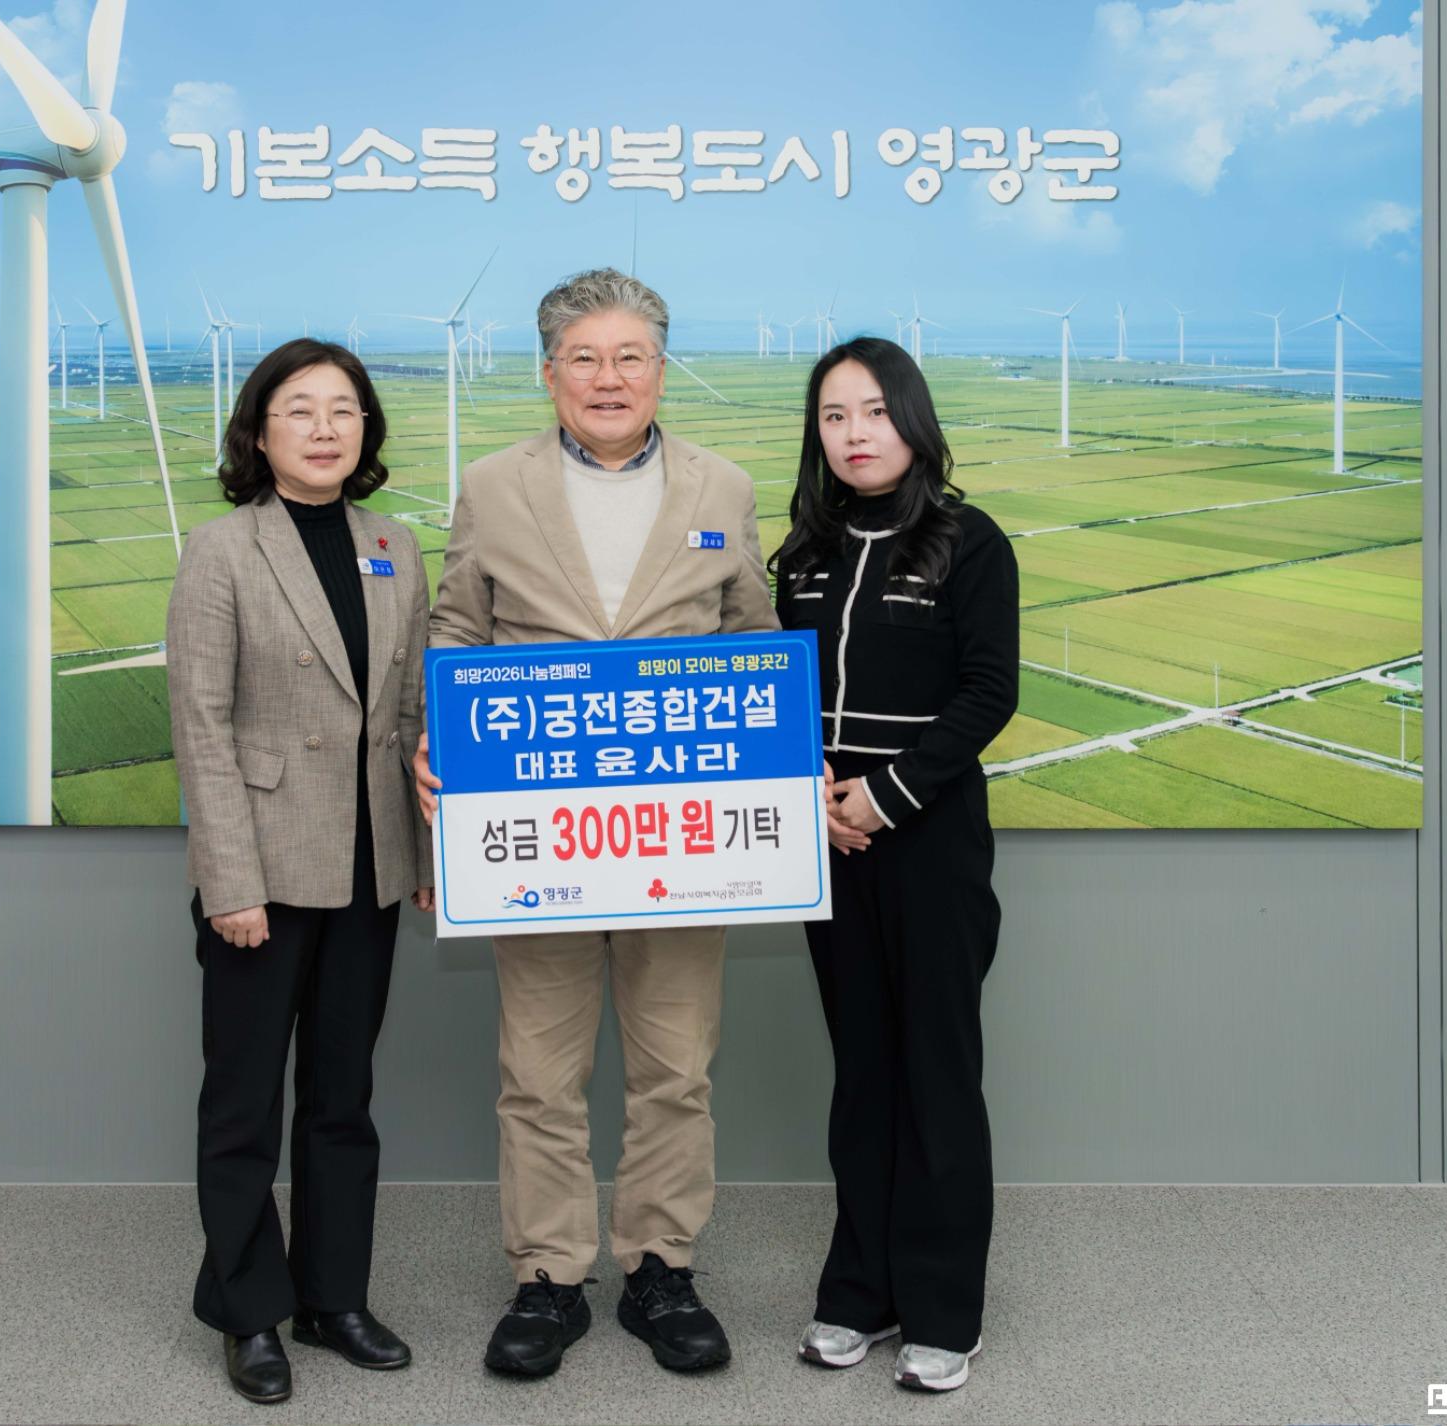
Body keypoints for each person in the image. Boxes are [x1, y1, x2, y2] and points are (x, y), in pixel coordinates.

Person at [414, 267, 776, 1378]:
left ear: (661, 369)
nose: (607, 377)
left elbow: (753, 643)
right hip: (540, 837)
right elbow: (455, 632)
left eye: (629, 357)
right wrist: (437, 741)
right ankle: (549, 1276)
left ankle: (660, 1266)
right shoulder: (491, 485)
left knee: (675, 1068)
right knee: (539, 1072)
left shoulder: (723, 486)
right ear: (548, 373)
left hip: (679, 837)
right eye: (584, 358)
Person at [166, 338, 433, 1407]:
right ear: (259, 430)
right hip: (265, 872)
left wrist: (426, 855)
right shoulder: (222, 550)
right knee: (243, 1106)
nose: (325, 428)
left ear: (366, 430)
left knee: (342, 1097)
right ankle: (248, 1311)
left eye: (343, 410)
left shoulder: (395, 545)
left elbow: (409, 714)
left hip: (370, 866)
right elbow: (201, 725)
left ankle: (333, 1298)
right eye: (300, 409)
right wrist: (228, 880)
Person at [771, 337, 1018, 1393]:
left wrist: (886, 793)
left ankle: (943, 1308)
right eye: (833, 416)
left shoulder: (967, 540)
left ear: (911, 419)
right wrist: (814, 795)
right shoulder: (803, 553)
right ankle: (859, 1291)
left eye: (873, 411)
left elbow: (987, 690)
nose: (854, 433)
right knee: (862, 1071)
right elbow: (775, 692)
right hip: (829, 846)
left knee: (935, 1074)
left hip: (929, 843)